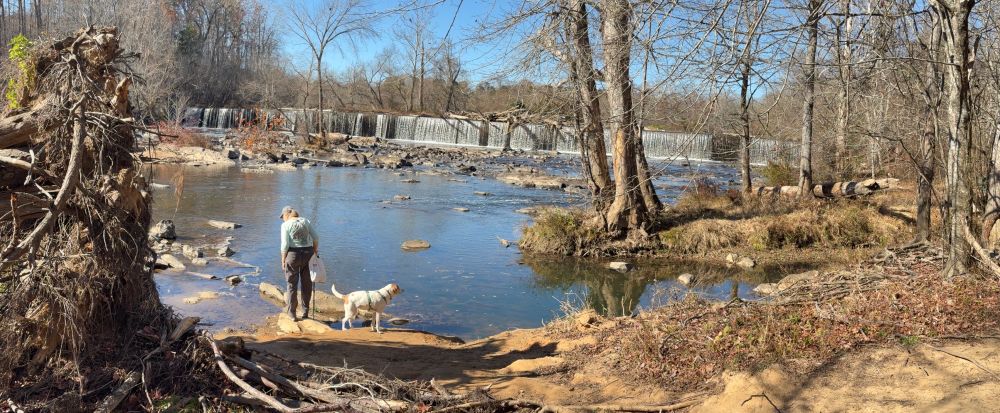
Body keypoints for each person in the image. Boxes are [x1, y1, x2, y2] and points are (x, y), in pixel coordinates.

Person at [279, 206, 319, 320]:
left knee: (292, 284)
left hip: (293, 255)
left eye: (283, 217)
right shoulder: (305, 221)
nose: (283, 219)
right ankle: (305, 312)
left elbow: (285, 245)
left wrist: (283, 259)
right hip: (308, 253)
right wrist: (315, 251)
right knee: (307, 284)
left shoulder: (285, 225)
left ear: (287, 215)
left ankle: (292, 313)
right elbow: (316, 237)